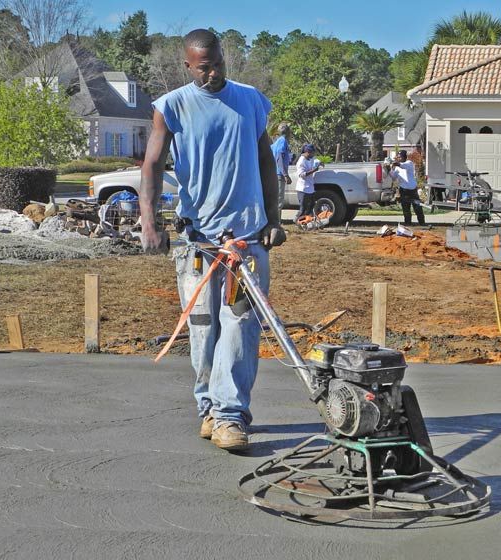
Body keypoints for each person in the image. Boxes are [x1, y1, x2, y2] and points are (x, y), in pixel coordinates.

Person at [139, 29, 286, 452]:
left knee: (240, 328)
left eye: (219, 63)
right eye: (204, 67)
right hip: (198, 243)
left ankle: (230, 415)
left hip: (246, 242)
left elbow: (265, 163)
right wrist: (150, 223)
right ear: (188, 66)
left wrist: (273, 219)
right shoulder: (172, 107)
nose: (214, 72)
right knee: (204, 330)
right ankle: (208, 408)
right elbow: (151, 165)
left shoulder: (251, 100)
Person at [390, 150, 425, 226]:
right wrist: (389, 170)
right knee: (406, 208)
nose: (399, 158)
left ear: (405, 157)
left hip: (412, 189)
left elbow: (403, 166)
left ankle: (422, 223)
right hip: (403, 190)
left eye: (400, 157)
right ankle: (408, 223)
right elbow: (393, 177)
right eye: (398, 157)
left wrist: (396, 164)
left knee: (417, 207)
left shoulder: (409, 163)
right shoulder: (397, 167)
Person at [295, 144, 321, 222]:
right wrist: (313, 171)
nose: (313, 155)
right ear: (307, 152)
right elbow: (302, 175)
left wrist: (320, 163)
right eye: (312, 153)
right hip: (303, 189)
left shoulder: (310, 158)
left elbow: (316, 161)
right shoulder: (301, 161)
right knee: (303, 209)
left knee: (311, 207)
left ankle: (305, 222)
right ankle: (296, 221)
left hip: (310, 188)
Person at [271, 123, 292, 214]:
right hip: (279, 174)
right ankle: (277, 223)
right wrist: (285, 174)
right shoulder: (283, 141)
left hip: (273, 174)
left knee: (275, 199)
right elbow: (279, 157)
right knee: (279, 200)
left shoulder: (276, 142)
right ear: (287, 131)